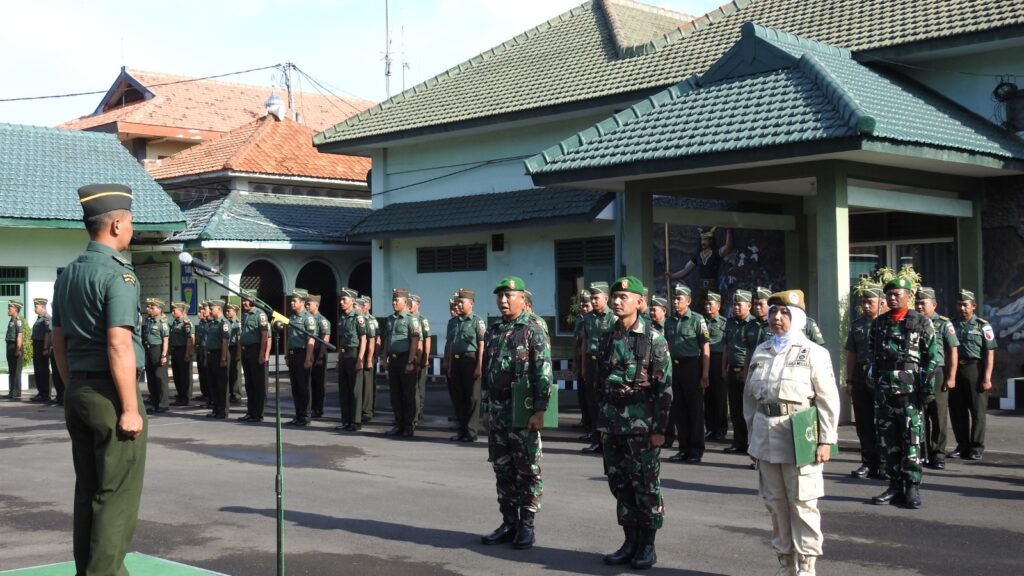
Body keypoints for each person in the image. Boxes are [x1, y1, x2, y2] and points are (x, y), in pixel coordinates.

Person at [51, 183, 147, 575]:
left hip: (79, 390)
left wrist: (72, 383)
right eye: (130, 222)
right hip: (111, 394)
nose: (132, 229)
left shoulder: (69, 274)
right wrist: (129, 408)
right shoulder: (118, 275)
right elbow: (119, 344)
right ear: (115, 226)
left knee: (88, 489)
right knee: (116, 495)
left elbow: (58, 340)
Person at [743, 289, 839, 576]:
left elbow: (827, 400)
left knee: (803, 504)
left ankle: (807, 568)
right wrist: (752, 436)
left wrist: (826, 439)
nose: (777, 317)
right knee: (775, 504)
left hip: (799, 434)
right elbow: (749, 399)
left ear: (797, 318)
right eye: (773, 312)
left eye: (784, 312)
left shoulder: (814, 353)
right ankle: (786, 565)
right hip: (765, 436)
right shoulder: (761, 351)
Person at [596, 276, 672, 569]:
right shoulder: (607, 337)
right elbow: (599, 382)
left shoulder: (654, 340)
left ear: (640, 303)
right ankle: (629, 542)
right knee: (620, 485)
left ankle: (647, 546)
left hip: (642, 427)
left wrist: (660, 430)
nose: (617, 301)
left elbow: (664, 389)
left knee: (646, 487)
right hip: (612, 424)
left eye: (624, 297)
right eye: (614, 296)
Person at [480, 276, 552, 550]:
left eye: (509, 295)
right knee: (502, 469)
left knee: (527, 470)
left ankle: (527, 525)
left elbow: (543, 371)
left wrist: (540, 410)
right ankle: (508, 522)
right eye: (500, 296)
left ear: (523, 298)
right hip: (498, 412)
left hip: (523, 413)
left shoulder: (534, 328)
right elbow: (488, 372)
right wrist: (486, 408)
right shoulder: (495, 330)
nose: (503, 300)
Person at [868, 277, 938, 509]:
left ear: (908, 295)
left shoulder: (921, 322)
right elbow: (872, 355)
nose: (892, 297)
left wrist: (926, 390)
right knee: (888, 440)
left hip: (909, 392)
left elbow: (931, 359)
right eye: (889, 294)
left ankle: (912, 486)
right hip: (884, 391)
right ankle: (894, 484)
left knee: (911, 438)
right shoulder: (878, 324)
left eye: (897, 294)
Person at [663, 284, 709, 463]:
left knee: (695, 409)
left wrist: (704, 374)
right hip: (674, 367)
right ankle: (683, 448)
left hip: (692, 366)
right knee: (679, 408)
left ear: (688, 301)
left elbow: (705, 346)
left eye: (679, 299)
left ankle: (696, 450)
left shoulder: (697, 320)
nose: (675, 302)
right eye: (674, 298)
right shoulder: (669, 321)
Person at [845, 284, 886, 479]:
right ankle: (868, 462)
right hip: (862, 375)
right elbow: (851, 353)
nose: (866, 305)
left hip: (883, 376)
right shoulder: (858, 324)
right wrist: (850, 379)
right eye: (864, 302)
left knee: (883, 422)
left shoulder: (888, 323)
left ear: (881, 303)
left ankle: (885, 463)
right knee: (864, 422)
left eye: (870, 302)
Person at [950, 289, 997, 461]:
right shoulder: (952, 324)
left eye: (965, 305)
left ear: (974, 306)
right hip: (956, 369)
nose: (962, 308)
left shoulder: (983, 326)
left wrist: (987, 377)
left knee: (977, 411)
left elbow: (989, 353)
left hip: (974, 369)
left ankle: (976, 447)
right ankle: (962, 445)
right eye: (959, 305)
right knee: (957, 410)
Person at [915, 287, 958, 469]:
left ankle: (938, 453)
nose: (919, 306)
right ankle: (922, 451)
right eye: (916, 302)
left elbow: (952, 350)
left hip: (937, 371)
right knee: (920, 414)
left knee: (938, 414)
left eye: (922, 303)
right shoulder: (912, 321)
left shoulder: (943, 323)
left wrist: (951, 376)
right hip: (917, 371)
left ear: (934, 304)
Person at [446, 288, 486, 442]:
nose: (459, 305)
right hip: (456, 362)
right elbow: (450, 344)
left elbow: (481, 345)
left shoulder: (477, 321)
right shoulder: (453, 322)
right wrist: (449, 365)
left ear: (471, 303)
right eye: (458, 302)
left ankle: (471, 432)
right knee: (458, 398)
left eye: (462, 302)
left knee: (472, 398)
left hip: (470, 361)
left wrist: (479, 366)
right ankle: (461, 430)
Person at [581, 281, 616, 453]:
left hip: (606, 363)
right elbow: (585, 342)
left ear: (606, 298)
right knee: (593, 403)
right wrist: (583, 366)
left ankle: (608, 440)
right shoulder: (587, 318)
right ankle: (596, 441)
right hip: (591, 361)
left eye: (596, 298)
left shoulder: (613, 318)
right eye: (592, 298)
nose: (593, 301)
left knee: (606, 403)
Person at [381, 289, 421, 437]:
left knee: (408, 394)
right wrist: (384, 357)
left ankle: (408, 426)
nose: (394, 302)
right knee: (395, 395)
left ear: (405, 302)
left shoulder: (412, 319)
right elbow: (387, 339)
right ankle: (398, 424)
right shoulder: (390, 319)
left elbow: (414, 341)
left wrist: (410, 361)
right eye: (393, 300)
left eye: (396, 300)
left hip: (406, 359)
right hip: (394, 360)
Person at [665, 228, 735, 308]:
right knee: (700, 309)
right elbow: (685, 270)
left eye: (705, 240)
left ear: (711, 241)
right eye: (702, 240)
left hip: (713, 288)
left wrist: (728, 230)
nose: (703, 242)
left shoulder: (716, 253)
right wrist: (672, 276)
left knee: (713, 309)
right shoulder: (697, 256)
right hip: (701, 289)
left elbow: (728, 247)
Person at [722, 289, 756, 455]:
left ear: (749, 306)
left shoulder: (753, 324)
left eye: (739, 304)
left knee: (748, 410)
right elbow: (727, 346)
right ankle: (738, 442)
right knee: (735, 409)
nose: (735, 307)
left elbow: (751, 349)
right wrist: (724, 367)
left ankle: (751, 443)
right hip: (731, 370)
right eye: (734, 304)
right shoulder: (730, 323)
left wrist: (747, 371)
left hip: (746, 370)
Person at [335, 287, 366, 431]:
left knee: (355, 390)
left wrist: (360, 358)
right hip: (344, 354)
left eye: (344, 299)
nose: (341, 302)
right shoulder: (342, 318)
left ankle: (356, 421)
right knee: (344, 390)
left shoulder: (358, 317)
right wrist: (339, 357)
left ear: (352, 301)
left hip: (354, 354)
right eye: (341, 299)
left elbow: (364, 339)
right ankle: (345, 420)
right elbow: (341, 339)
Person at [286, 289, 316, 426]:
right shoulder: (292, 318)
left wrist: (308, 358)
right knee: (295, 387)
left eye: (294, 301)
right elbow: (290, 338)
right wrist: (287, 354)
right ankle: (298, 415)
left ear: (302, 302)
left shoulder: (308, 318)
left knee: (303, 387)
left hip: (302, 354)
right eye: (292, 300)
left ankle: (305, 416)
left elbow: (311, 340)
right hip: (292, 355)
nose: (292, 303)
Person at [238, 292, 270, 423]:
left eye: (246, 300)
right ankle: (250, 412)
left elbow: (264, 336)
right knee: (249, 384)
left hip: (255, 350)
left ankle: (258, 414)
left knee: (258, 384)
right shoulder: (245, 315)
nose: (244, 302)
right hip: (246, 351)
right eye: (243, 300)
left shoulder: (260, 314)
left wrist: (262, 354)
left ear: (253, 301)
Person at [703, 291, 728, 441]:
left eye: (710, 304)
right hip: (705, 359)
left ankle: (721, 428)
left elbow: (727, 344)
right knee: (707, 396)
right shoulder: (702, 321)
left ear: (718, 306)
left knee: (719, 396)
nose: (707, 306)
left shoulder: (724, 323)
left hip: (718, 359)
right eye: (706, 303)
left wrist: (724, 366)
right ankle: (710, 428)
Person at [142, 298, 170, 414]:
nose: (149, 309)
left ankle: (163, 404)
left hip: (157, 350)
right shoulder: (148, 320)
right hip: (148, 349)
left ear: (159, 309)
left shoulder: (162, 322)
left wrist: (163, 355)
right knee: (151, 378)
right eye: (148, 307)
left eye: (152, 307)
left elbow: (166, 340)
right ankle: (154, 403)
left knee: (160, 378)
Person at [306, 294, 331, 419]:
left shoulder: (322, 320)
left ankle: (318, 408)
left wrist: (320, 356)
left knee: (318, 382)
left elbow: (324, 340)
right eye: (306, 303)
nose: (307, 306)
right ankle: (310, 407)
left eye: (309, 304)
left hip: (318, 352)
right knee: (309, 382)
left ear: (317, 305)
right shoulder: (306, 318)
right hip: (308, 352)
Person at [204, 300, 229, 419]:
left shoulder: (223, 323)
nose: (209, 310)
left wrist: (223, 358)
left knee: (221, 384)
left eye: (211, 308)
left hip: (219, 354)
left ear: (218, 309)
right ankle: (215, 408)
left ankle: (222, 410)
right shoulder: (212, 323)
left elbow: (225, 342)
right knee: (213, 383)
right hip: (211, 354)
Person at [410, 293, 431, 425]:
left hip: (420, 356)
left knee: (419, 386)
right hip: (410, 356)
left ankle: (419, 411)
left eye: (411, 303)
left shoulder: (422, 319)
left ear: (418, 305)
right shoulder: (407, 318)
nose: (409, 305)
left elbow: (426, 339)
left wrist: (425, 357)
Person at [168, 301, 194, 407]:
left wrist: (188, 354)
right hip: (175, 350)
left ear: (182, 311)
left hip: (183, 350)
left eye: (174, 310)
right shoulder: (175, 323)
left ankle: (185, 397)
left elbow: (189, 339)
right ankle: (180, 395)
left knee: (184, 376)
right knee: (177, 375)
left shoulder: (186, 323)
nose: (172, 313)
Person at [573, 288, 592, 434]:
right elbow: (577, 342)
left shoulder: (592, 319)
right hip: (581, 358)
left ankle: (591, 424)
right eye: (582, 305)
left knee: (590, 395)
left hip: (592, 360)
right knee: (581, 394)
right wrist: (576, 363)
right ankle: (585, 420)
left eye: (587, 305)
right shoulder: (580, 318)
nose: (584, 308)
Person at [359, 296, 380, 423]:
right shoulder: (359, 318)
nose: (364, 306)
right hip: (360, 353)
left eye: (365, 304)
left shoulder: (371, 320)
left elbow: (376, 339)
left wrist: (374, 356)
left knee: (368, 383)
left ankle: (368, 410)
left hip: (368, 353)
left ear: (369, 306)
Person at [29, 298, 52, 402]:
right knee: (38, 370)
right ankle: (40, 392)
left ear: (43, 307)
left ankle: (45, 394)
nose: (34, 308)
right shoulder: (39, 318)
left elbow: (48, 333)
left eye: (36, 306)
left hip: (42, 346)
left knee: (43, 370)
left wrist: (45, 348)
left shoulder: (46, 318)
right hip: (37, 345)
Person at [224, 300, 242, 405]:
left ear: (235, 311)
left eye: (229, 311)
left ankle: (237, 394)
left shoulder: (237, 323)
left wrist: (239, 352)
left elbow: (239, 339)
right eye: (226, 311)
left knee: (236, 372)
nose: (227, 312)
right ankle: (231, 392)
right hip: (228, 348)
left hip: (235, 348)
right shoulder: (226, 322)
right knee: (229, 371)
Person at [5, 299, 24, 400]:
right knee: (12, 370)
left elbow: (20, 336)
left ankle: (16, 393)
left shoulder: (18, 320)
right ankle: (11, 391)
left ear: (15, 309)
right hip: (10, 345)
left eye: (10, 308)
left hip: (15, 346)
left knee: (16, 370)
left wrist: (18, 349)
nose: (8, 309)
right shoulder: (12, 320)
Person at [195, 301, 211, 407]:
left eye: (203, 310)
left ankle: (210, 396)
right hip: (201, 348)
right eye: (201, 310)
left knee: (208, 374)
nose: (201, 312)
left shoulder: (210, 323)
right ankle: (205, 394)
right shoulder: (202, 323)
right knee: (202, 373)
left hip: (208, 349)